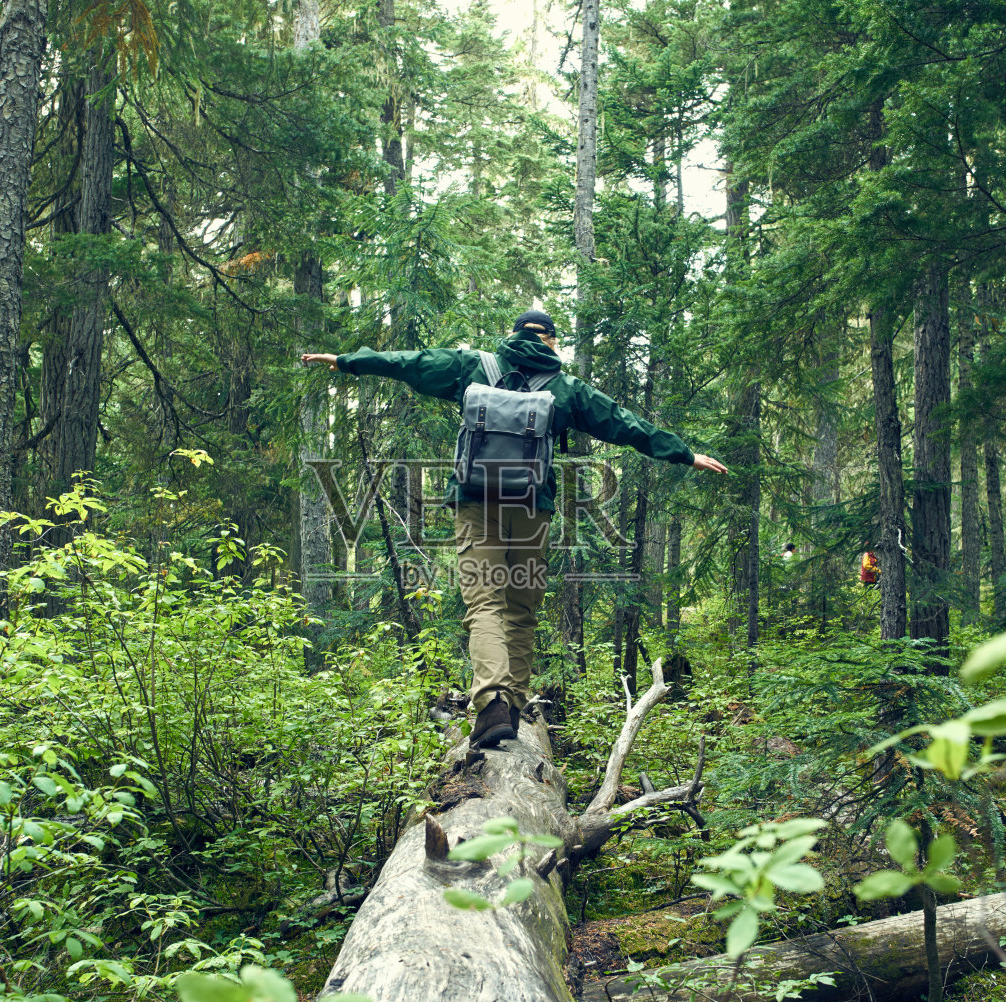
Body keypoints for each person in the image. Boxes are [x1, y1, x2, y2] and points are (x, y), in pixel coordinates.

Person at [302, 311, 727, 749]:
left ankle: (491, 708)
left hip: (474, 500)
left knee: (484, 602)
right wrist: (683, 453)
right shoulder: (565, 389)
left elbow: (411, 363)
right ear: (551, 342)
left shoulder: (473, 366)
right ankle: (514, 704)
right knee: (521, 609)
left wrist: (349, 361)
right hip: (531, 506)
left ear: (513, 336)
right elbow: (623, 423)